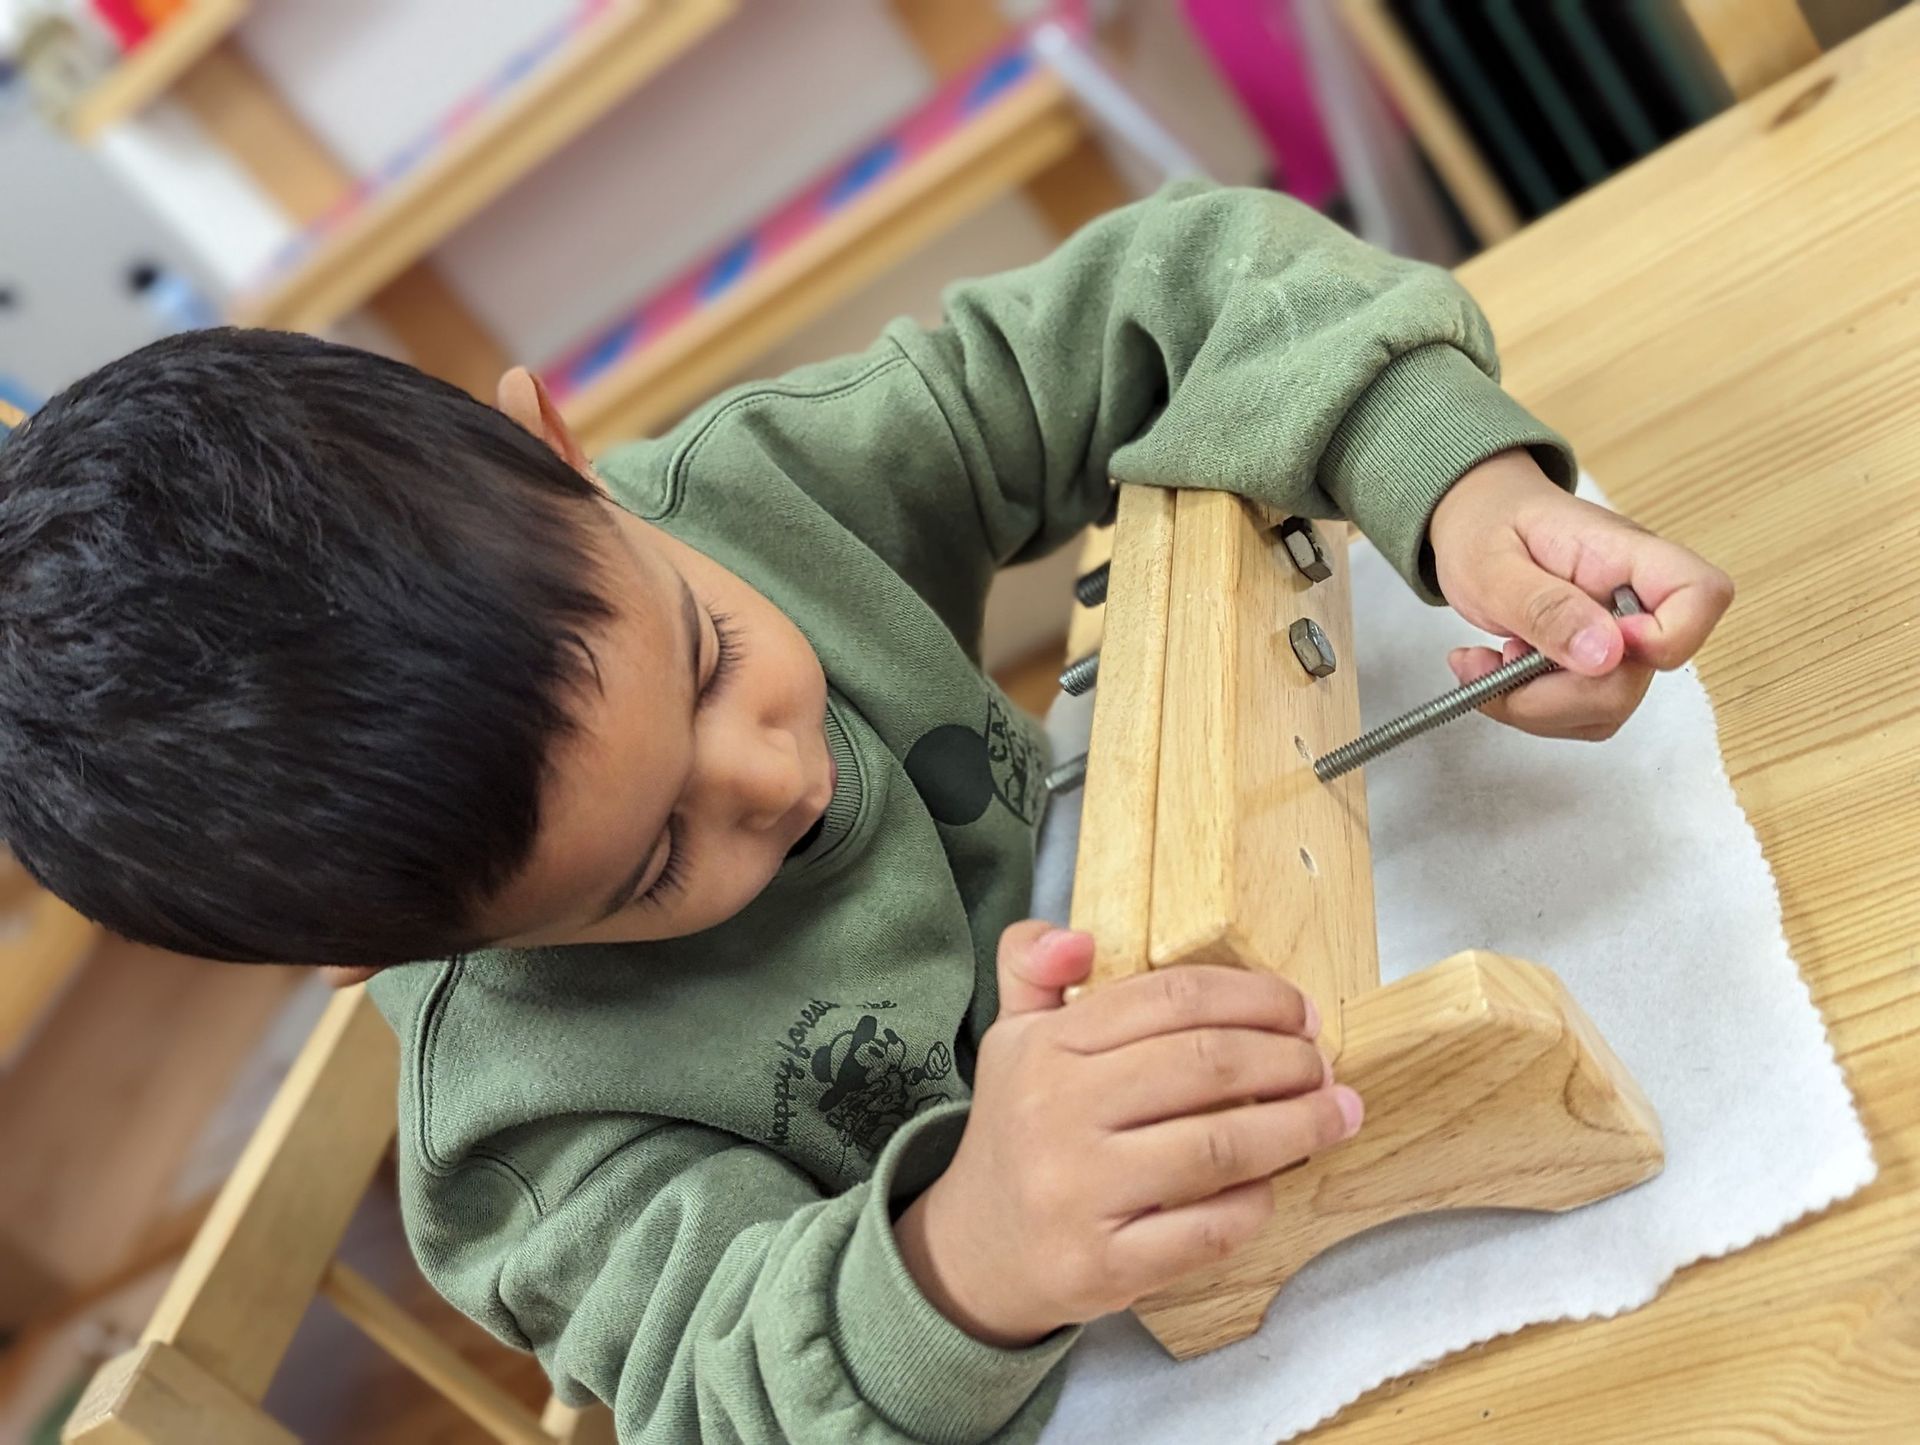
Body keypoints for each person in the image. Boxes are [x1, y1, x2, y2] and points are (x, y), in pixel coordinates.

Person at [0, 182, 1731, 1443]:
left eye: (707, 658)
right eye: (652, 863)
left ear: (564, 454)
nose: (784, 773)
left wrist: (1461, 487)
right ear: (405, 954)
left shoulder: (755, 488)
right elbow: (727, 1399)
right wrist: (968, 1250)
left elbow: (1193, 286)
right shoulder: (523, 1139)